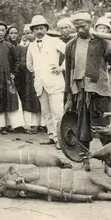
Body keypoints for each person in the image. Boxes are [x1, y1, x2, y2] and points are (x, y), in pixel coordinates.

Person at [64, 12, 111, 171]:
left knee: (104, 128)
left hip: (99, 90)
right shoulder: (71, 45)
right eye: (77, 27)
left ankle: (108, 163)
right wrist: (68, 97)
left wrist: (109, 44)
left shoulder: (102, 42)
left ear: (90, 24)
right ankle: (85, 161)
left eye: (84, 26)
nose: (80, 30)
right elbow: (68, 73)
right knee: (82, 128)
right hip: (79, 90)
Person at [26, 15, 66, 148]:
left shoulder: (55, 41)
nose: (39, 31)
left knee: (57, 112)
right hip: (40, 84)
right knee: (46, 113)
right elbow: (29, 64)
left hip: (55, 82)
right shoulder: (31, 46)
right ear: (33, 30)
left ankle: (61, 140)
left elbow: (70, 53)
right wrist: (39, 73)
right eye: (36, 29)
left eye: (41, 28)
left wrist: (61, 67)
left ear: (46, 29)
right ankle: (52, 136)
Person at [15, 24, 42, 134]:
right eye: (26, 33)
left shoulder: (40, 45)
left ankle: (41, 123)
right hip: (27, 76)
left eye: (30, 33)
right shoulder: (24, 47)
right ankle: (31, 123)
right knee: (29, 98)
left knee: (38, 98)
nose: (29, 35)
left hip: (39, 74)